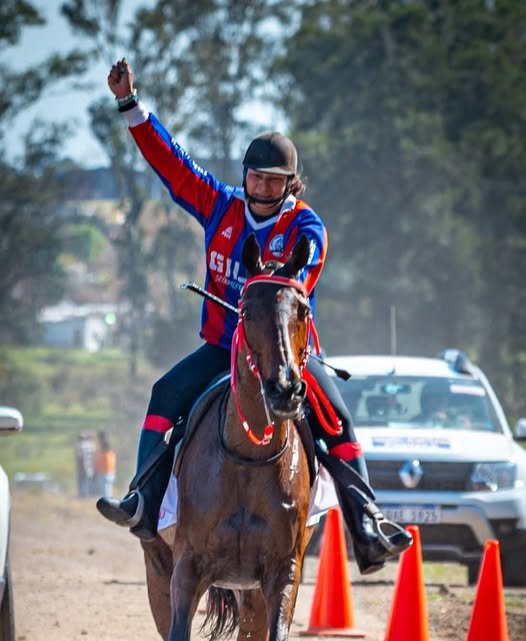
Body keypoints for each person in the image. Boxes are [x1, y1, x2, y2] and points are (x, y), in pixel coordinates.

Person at [96, 57, 412, 573]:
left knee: (337, 417)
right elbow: (172, 164)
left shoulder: (308, 228)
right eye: (255, 178)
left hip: (284, 353)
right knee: (164, 394)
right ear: (244, 176)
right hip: (224, 348)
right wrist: (130, 104)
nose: (262, 189)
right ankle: (143, 503)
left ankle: (368, 525)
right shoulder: (219, 205)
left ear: (291, 184)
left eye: (274, 181)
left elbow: (300, 280)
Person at [95, 431, 117, 498]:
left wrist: (98, 470)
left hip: (105, 473)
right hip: (110, 473)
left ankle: (107, 500)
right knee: (108, 489)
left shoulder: (104, 455)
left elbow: (100, 464)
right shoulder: (111, 454)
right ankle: (108, 499)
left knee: (106, 490)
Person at [75, 431, 96, 498]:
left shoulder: (80, 445)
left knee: (82, 481)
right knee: (87, 481)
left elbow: (80, 457)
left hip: (82, 466)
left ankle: (83, 496)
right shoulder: (92, 445)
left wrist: (81, 466)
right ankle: (87, 495)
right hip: (90, 466)